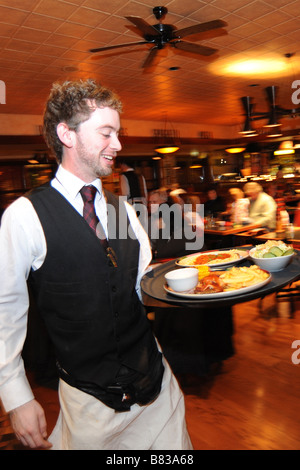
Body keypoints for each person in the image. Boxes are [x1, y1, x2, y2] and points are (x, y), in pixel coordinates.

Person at [0, 79, 192, 450]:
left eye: (117, 133)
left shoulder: (121, 211)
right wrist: (16, 395)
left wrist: (200, 286)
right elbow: (4, 312)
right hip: (90, 404)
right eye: (106, 132)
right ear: (66, 134)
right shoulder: (25, 216)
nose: (117, 144)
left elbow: (142, 286)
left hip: (158, 387)